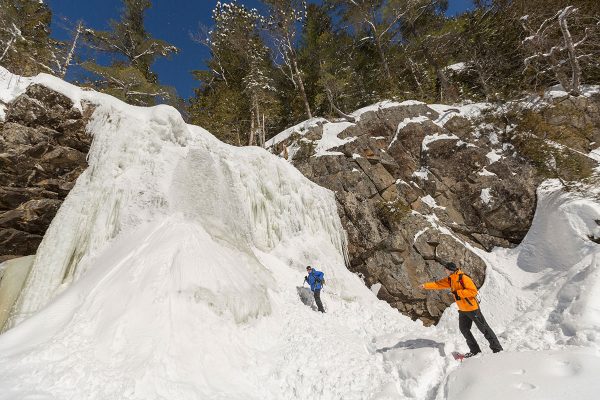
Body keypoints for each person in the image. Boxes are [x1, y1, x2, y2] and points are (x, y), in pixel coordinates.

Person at [420, 261, 503, 357]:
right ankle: (475, 351)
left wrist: (458, 293)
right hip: (463, 310)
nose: (444, 270)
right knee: (464, 329)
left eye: (445, 269)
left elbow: (473, 291)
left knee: (484, 329)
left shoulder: (463, 278)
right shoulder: (451, 279)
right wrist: (425, 286)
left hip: (472, 308)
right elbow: (438, 284)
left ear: (450, 270)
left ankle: (497, 349)